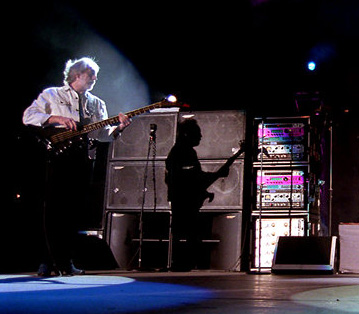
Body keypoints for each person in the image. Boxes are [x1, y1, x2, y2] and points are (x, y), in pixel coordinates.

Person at [23, 57, 131, 276]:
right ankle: (48, 260)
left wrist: (118, 128)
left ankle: (65, 260)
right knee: (53, 210)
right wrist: (56, 119)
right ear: (77, 75)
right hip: (57, 157)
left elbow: (102, 135)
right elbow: (29, 116)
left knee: (73, 211)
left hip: (81, 159)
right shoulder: (52, 95)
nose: (95, 78)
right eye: (91, 74)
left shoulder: (96, 103)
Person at [165, 119, 229, 271]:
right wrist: (216, 175)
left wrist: (204, 189)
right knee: (185, 231)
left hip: (182, 197)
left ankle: (182, 262)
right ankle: (182, 262)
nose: (200, 137)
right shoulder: (183, 151)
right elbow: (191, 177)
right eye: (197, 134)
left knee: (185, 230)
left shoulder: (180, 151)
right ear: (188, 134)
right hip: (183, 199)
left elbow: (190, 177)